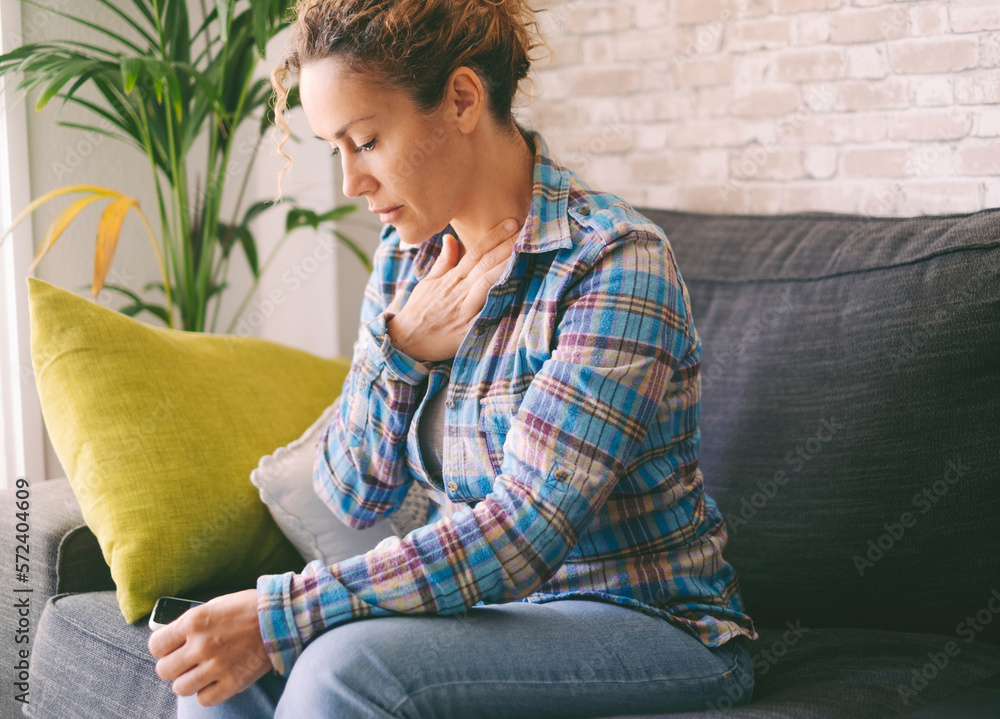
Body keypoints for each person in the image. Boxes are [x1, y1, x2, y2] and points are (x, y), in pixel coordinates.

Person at [148, 1, 759, 717]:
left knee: (343, 667)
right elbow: (351, 495)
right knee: (214, 672)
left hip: (653, 625)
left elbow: (522, 534)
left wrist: (282, 612)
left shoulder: (613, 264)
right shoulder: (409, 260)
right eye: (334, 148)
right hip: (493, 617)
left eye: (367, 140)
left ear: (463, 99)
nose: (351, 183)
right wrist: (399, 348)